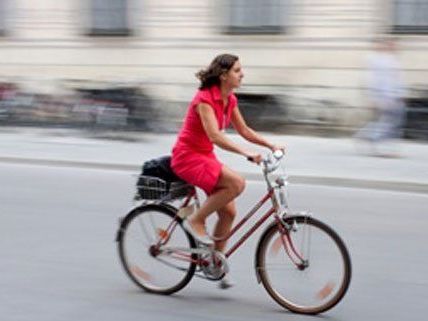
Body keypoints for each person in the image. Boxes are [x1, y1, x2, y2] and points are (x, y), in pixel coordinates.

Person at [171, 53, 283, 288]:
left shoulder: (229, 99)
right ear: (223, 76)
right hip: (187, 156)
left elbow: (244, 130)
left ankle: (215, 263)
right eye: (237, 70)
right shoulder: (204, 99)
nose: (242, 74)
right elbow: (215, 135)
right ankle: (196, 220)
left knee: (229, 213)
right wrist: (246, 153)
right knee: (236, 183)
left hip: (204, 155)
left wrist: (269, 145)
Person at [355, 37, 406, 157]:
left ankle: (368, 137)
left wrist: (401, 93)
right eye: (391, 45)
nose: (394, 47)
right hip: (385, 96)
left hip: (393, 96)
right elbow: (374, 80)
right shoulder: (377, 60)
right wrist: (373, 98)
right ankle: (372, 138)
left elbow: (398, 80)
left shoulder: (392, 59)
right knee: (389, 122)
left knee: (392, 122)